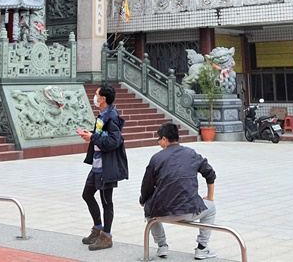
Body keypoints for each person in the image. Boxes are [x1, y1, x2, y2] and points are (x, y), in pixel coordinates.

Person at [140, 122, 218, 260]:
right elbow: (210, 173)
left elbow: (147, 186)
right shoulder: (191, 153)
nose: (159, 143)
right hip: (190, 210)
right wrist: (210, 197)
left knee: (148, 207)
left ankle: (162, 246)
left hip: (161, 213)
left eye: (159, 139)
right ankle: (202, 247)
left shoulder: (156, 158)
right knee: (211, 208)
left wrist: (143, 200)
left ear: (164, 139)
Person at [77, 83, 129, 251]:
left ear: (102, 99)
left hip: (107, 167)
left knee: (107, 202)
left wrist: (93, 137)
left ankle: (106, 236)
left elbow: (114, 141)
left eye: (96, 94)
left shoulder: (111, 117)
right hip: (97, 165)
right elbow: (100, 136)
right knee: (87, 194)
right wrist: (91, 136)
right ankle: (98, 228)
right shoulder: (102, 115)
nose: (94, 96)